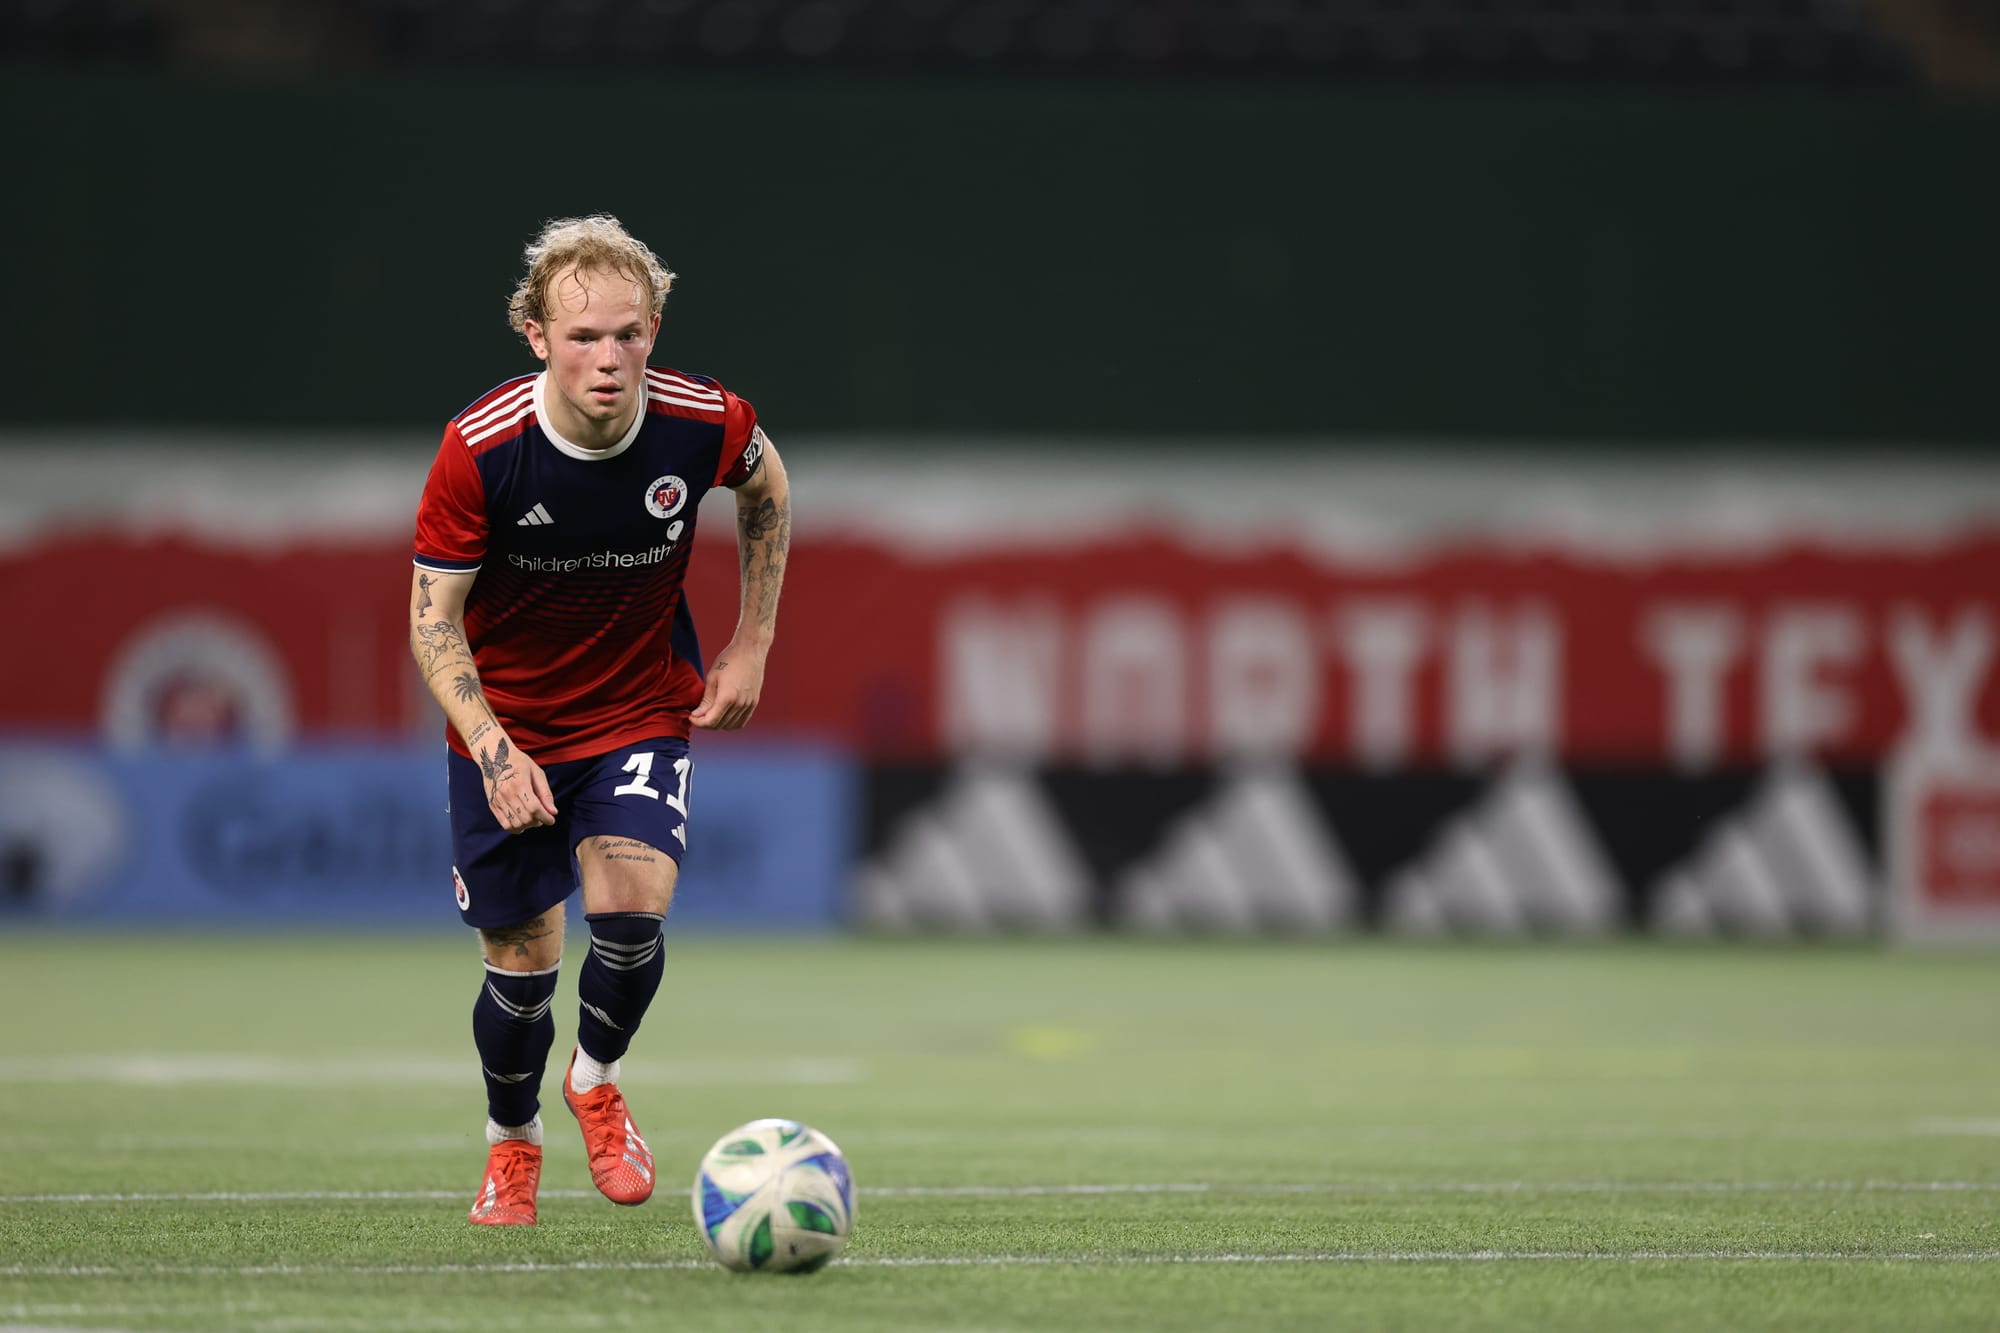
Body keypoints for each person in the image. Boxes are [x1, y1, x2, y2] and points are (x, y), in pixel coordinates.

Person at [408, 215, 790, 1226]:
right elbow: (431, 623)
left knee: (630, 919)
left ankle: (597, 1080)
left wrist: (752, 638)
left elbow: (766, 484)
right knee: (521, 972)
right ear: (537, 335)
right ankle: (512, 1143)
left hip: (635, 708)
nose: (608, 358)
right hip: (507, 729)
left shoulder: (702, 421)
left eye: (627, 334)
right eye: (583, 337)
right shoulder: (480, 449)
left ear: (653, 329)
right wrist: (494, 750)